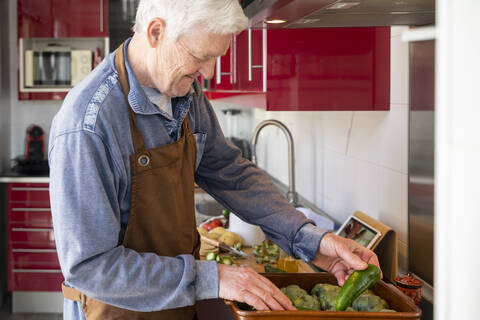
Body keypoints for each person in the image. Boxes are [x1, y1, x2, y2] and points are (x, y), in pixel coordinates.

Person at [48, 0, 381, 319]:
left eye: (216, 57)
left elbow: (229, 173)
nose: (208, 72)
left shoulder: (184, 93)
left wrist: (312, 240)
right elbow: (90, 267)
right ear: (156, 32)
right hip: (115, 315)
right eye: (201, 56)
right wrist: (214, 278)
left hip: (175, 308)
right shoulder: (88, 126)